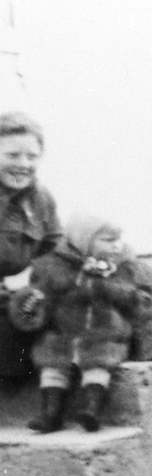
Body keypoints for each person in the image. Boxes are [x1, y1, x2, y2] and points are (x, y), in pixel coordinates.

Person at [9, 215, 152, 432]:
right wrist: (30, 306)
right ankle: (51, 413)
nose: (116, 245)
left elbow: (143, 307)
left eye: (118, 239)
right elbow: (41, 298)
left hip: (105, 334)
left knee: (98, 365)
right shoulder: (53, 267)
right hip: (63, 333)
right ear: (84, 240)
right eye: (107, 240)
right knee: (51, 363)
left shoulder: (124, 269)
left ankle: (91, 409)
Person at [0, 111, 61, 382]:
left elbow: (56, 249)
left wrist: (35, 279)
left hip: (24, 298)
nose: (23, 164)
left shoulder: (41, 198)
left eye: (32, 156)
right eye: (12, 155)